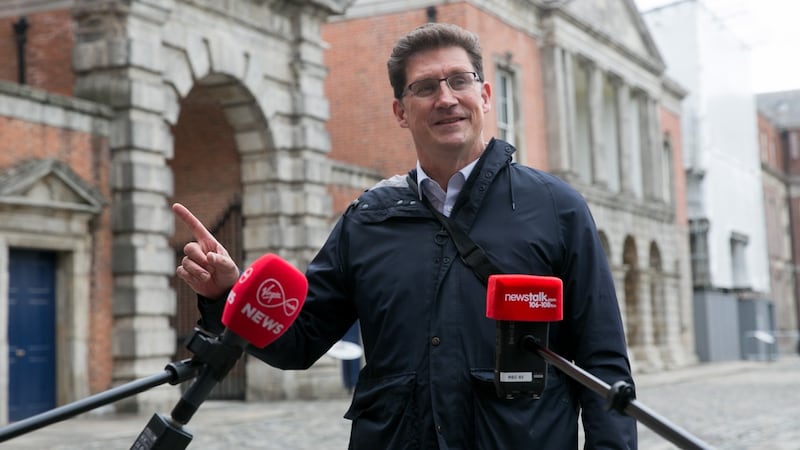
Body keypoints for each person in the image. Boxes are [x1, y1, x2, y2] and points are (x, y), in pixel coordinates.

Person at [174, 22, 637, 449]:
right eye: (425, 87)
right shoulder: (368, 219)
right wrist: (226, 294)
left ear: (486, 95)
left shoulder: (557, 208)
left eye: (460, 80)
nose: (446, 98)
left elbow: (602, 361)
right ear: (400, 110)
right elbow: (300, 342)